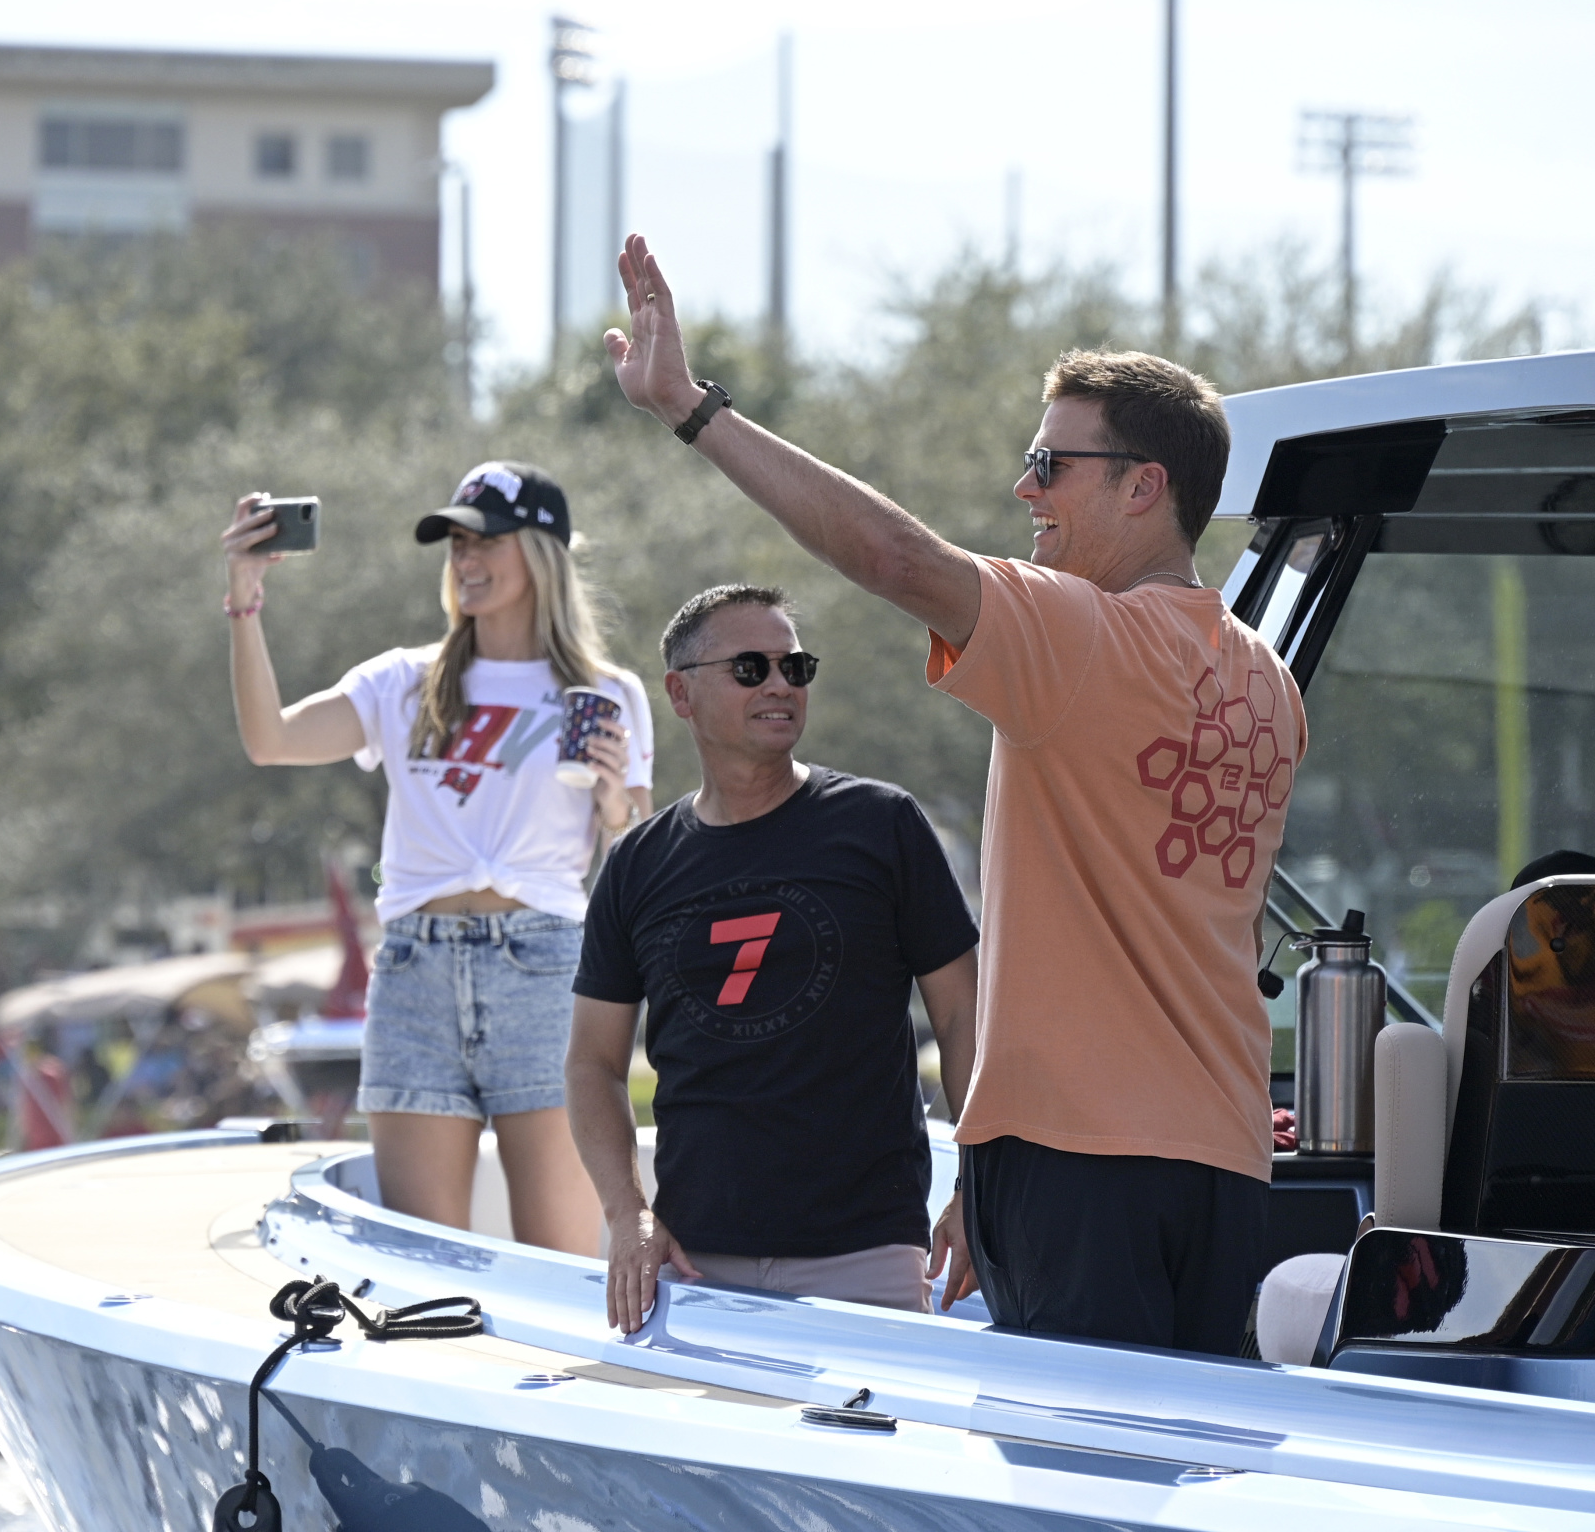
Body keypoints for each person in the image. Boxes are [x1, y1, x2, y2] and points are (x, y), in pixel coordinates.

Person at [598, 235, 1307, 1356]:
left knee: (1072, 1489)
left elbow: (891, 555)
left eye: (1050, 464)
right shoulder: (1267, 680)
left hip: (1081, 1159)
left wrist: (694, 410)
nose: (1023, 487)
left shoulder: (1085, 636)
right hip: (1223, 1158)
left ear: (1144, 485)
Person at [221, 462, 654, 1253]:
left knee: (561, 1262)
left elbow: (638, 867)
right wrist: (245, 598)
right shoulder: (403, 680)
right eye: (454, 542)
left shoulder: (605, 692)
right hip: (415, 973)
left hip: (546, 970)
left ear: (542, 552)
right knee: (429, 1269)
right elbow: (269, 740)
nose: (465, 559)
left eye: (484, 540)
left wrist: (615, 797)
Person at [565, 584, 979, 1333]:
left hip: (870, 1255)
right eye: (751, 668)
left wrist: (981, 1184)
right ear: (680, 693)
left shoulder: (882, 824)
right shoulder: (635, 864)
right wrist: (628, 1214)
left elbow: (964, 1016)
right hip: (694, 1267)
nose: (782, 684)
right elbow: (592, 1063)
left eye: (796, 666)